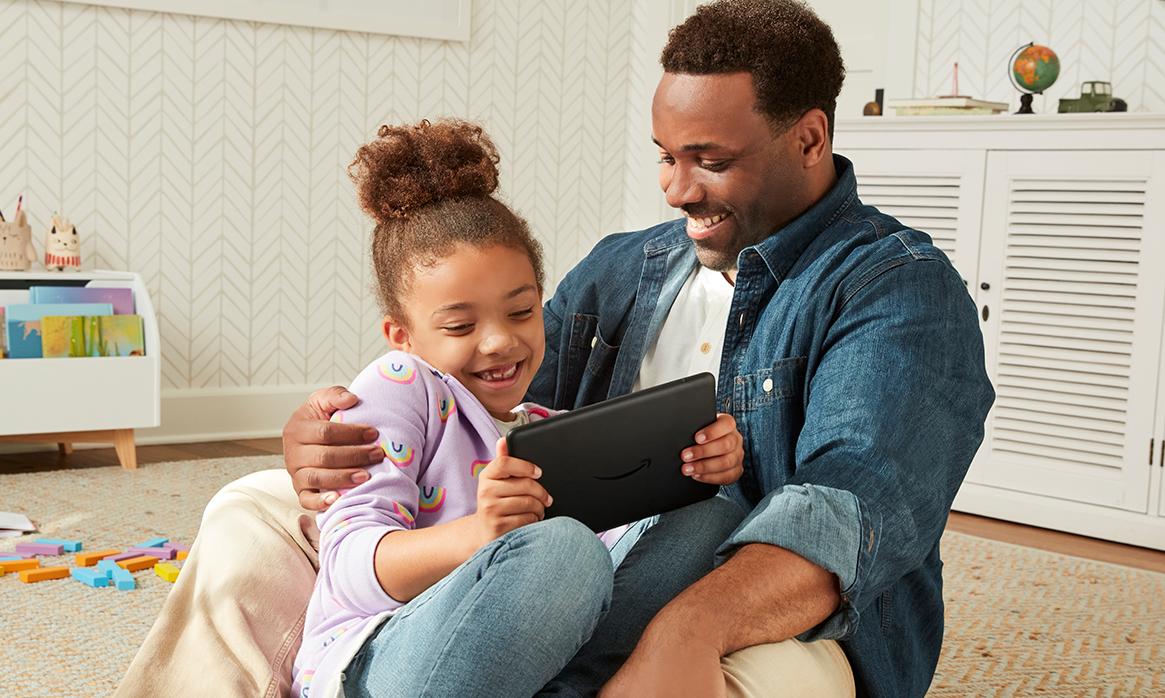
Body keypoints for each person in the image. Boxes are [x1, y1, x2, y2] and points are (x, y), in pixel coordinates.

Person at [115, 1, 994, 697]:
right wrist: (328, 448)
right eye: (663, 156)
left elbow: (845, 525)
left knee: (761, 677)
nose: (675, 188)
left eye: (708, 159)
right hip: (563, 568)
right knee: (250, 506)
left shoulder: (896, 290)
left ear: (807, 138)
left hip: (759, 608)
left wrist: (680, 632)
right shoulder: (627, 265)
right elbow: (495, 416)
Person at [286, 117, 744, 698]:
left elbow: (614, 563)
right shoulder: (401, 385)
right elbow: (349, 567)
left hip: (517, 657)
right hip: (383, 659)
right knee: (565, 551)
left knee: (707, 517)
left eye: (522, 312)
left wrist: (701, 463)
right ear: (401, 335)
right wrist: (480, 535)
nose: (500, 340)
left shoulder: (542, 433)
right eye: (460, 324)